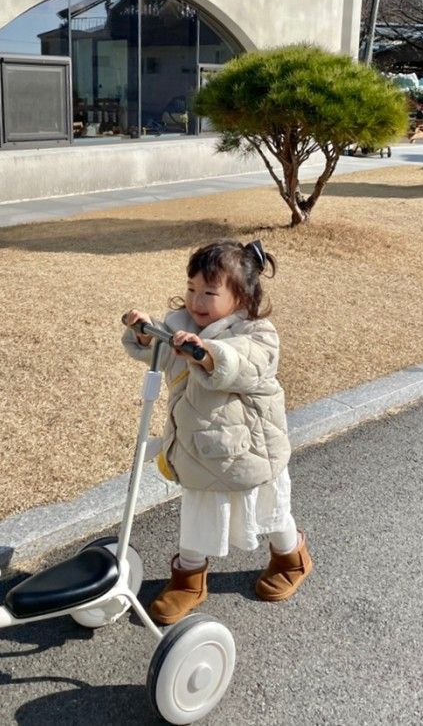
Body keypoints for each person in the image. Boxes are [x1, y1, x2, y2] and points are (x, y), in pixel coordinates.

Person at [122, 239, 312, 625]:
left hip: (253, 446)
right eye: (192, 289)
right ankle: (189, 579)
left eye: (210, 292)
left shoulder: (259, 334)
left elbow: (243, 363)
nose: (197, 301)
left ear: (241, 297)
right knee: (197, 512)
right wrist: (145, 335)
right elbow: (160, 353)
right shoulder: (179, 324)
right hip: (199, 444)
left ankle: (291, 558)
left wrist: (206, 352)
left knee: (270, 509)